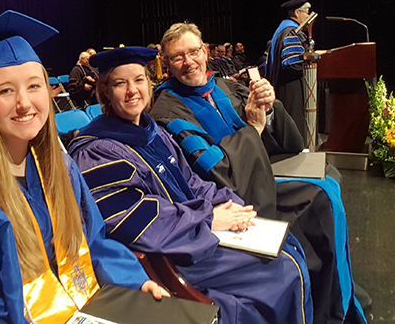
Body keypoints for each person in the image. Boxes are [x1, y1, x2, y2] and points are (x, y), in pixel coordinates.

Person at [0, 11, 168, 324]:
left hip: (94, 309)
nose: (24, 103)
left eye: (34, 86)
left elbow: (94, 241)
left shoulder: (59, 166)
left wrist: (135, 281)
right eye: (5, 91)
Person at [69, 46, 312, 324]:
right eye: (120, 83)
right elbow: (137, 218)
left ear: (149, 84)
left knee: (289, 245)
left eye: (138, 80)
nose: (132, 90)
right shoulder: (97, 151)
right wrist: (208, 219)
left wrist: (229, 204)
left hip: (194, 233)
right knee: (283, 269)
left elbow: (192, 182)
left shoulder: (154, 132)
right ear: (106, 91)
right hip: (170, 252)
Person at [149, 22, 365, 324]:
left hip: (264, 169)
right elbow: (217, 172)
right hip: (238, 191)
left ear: (205, 51)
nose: (189, 62)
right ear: (166, 64)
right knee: (320, 200)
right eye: (177, 57)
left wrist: (269, 106)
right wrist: (254, 128)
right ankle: (328, 310)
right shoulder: (169, 112)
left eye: (194, 52)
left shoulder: (222, 86)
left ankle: (340, 291)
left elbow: (280, 137)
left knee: (330, 178)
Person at [267, 0, 311, 139]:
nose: (308, 16)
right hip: (291, 87)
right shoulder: (291, 31)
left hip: (285, 85)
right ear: (297, 12)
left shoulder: (284, 28)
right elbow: (292, 64)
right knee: (293, 125)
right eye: (307, 12)